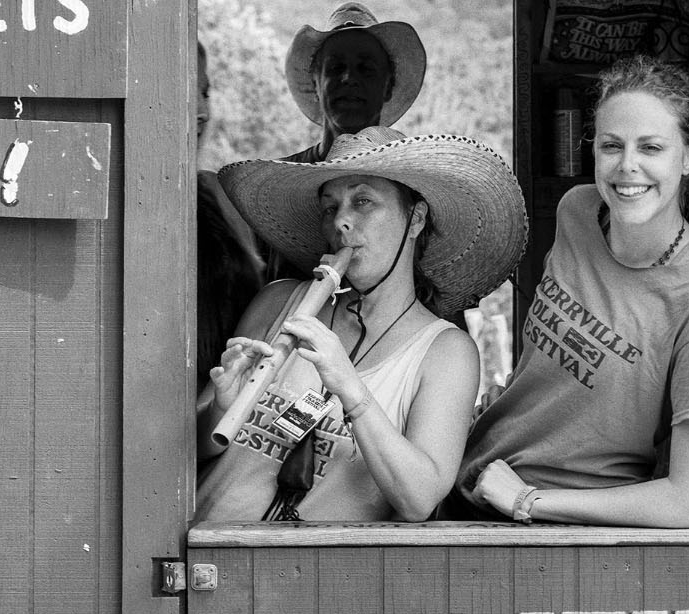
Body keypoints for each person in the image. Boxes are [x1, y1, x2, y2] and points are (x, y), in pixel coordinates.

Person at [459, 56, 689, 529]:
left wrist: (528, 500)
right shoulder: (578, 212)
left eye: (651, 147)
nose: (627, 166)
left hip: (568, 529)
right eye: (612, 145)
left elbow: (688, 502)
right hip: (472, 480)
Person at [195, 127, 526, 524]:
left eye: (363, 201)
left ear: (415, 219)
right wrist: (220, 406)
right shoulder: (279, 302)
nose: (342, 222)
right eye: (330, 207)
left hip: (317, 577)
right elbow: (190, 447)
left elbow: (418, 500)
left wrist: (350, 389)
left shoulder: (446, 352)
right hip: (208, 551)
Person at [283, 2, 428, 163]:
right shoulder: (277, 180)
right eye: (336, 67)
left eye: (366, 68)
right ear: (315, 84)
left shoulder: (407, 184)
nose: (349, 78)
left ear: (388, 86)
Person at [196, 42, 264, 380]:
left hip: (236, 408)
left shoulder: (222, 193)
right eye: (184, 90)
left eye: (205, 92)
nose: (202, 111)